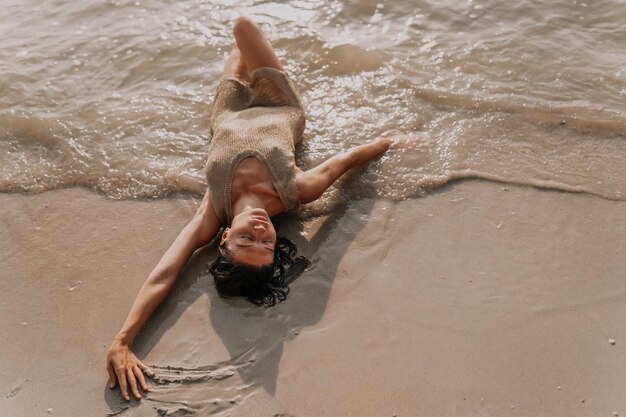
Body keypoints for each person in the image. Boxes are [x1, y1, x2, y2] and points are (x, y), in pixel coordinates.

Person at [106, 16, 394, 402]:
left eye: (246, 239)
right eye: (266, 243)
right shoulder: (295, 189)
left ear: (224, 237)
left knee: (237, 42)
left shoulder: (213, 211)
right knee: (244, 27)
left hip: (225, 114)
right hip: (278, 101)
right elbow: (343, 161)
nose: (260, 228)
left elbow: (167, 271)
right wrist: (394, 141)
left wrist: (123, 339)